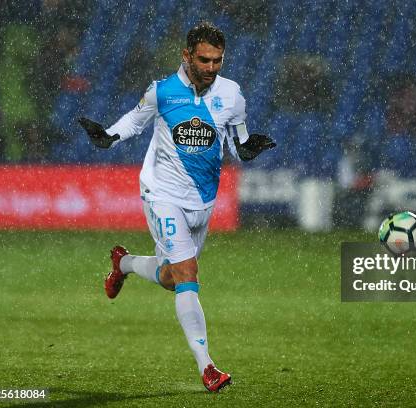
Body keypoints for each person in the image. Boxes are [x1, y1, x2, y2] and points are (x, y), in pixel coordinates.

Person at [78, 22, 275, 392]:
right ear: (187, 55)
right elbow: (135, 122)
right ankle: (208, 368)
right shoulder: (163, 92)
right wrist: (107, 136)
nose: (212, 67)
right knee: (187, 273)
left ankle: (123, 263)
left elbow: (238, 141)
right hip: (162, 194)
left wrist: (250, 148)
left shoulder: (232, 94)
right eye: (204, 59)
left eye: (218, 60)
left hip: (203, 201)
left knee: (172, 278)